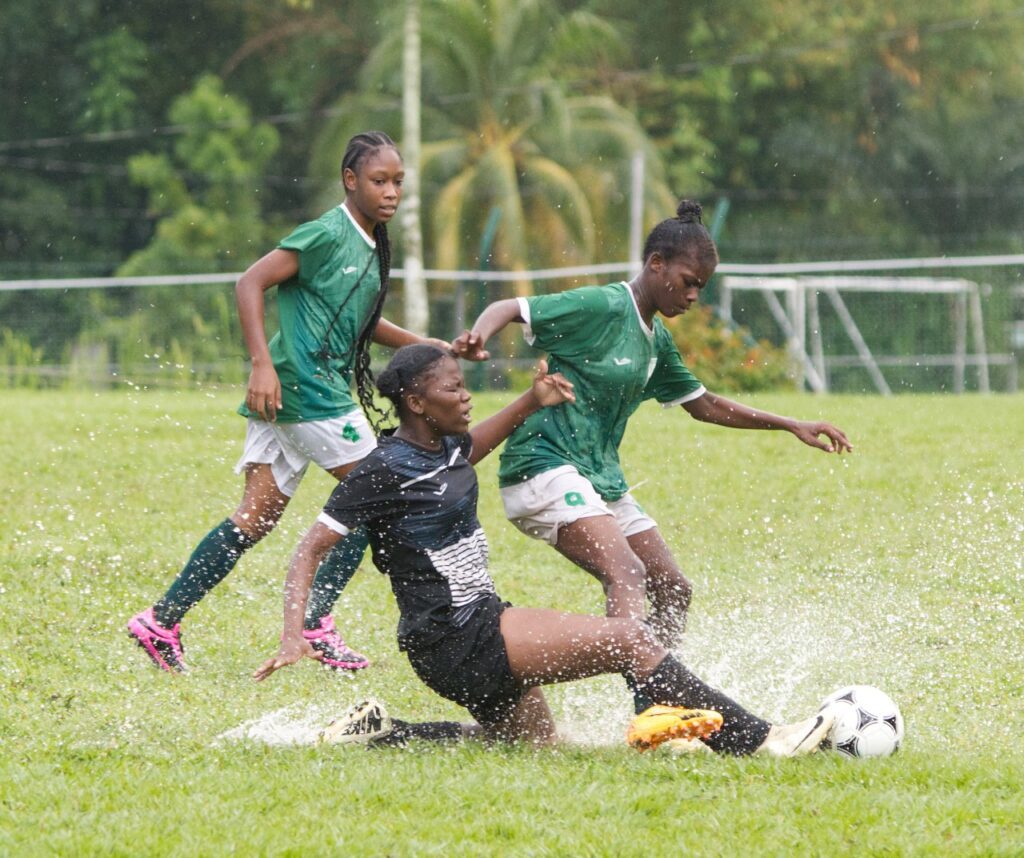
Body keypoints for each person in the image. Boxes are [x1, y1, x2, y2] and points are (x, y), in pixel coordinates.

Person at [253, 344, 835, 756]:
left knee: (534, 748)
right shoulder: (384, 468)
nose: (465, 395)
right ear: (415, 401)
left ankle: (388, 732)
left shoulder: (447, 449)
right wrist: (292, 633)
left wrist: (533, 399)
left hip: (458, 637)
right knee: (631, 639)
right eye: (452, 387)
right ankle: (760, 739)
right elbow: (309, 549)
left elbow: (481, 440)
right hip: (457, 636)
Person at [452, 200, 852, 659]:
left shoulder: (657, 341)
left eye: (701, 288)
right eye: (687, 283)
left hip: (598, 478)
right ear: (656, 264)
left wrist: (791, 424)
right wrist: (477, 337)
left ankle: (663, 696)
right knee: (626, 573)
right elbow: (511, 306)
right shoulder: (601, 305)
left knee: (674, 587)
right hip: (541, 467)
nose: (692, 296)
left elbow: (704, 405)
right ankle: (649, 700)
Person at [128, 131, 456, 673]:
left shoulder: (372, 242)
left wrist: (426, 346)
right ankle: (317, 625)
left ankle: (161, 622)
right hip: (303, 387)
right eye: (379, 181)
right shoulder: (327, 233)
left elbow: (362, 323)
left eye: (398, 181)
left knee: (253, 519)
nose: (391, 191)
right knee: (378, 495)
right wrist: (260, 363)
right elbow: (250, 282)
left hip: (300, 390)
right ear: (350, 181)